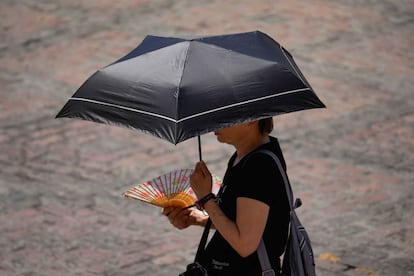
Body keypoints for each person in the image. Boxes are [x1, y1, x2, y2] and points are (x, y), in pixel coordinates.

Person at [163, 118, 290, 275]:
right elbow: (242, 221)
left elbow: (245, 244)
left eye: (226, 117)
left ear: (252, 119)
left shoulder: (259, 167)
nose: (214, 124)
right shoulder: (243, 156)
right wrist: (197, 219)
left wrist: (205, 198)